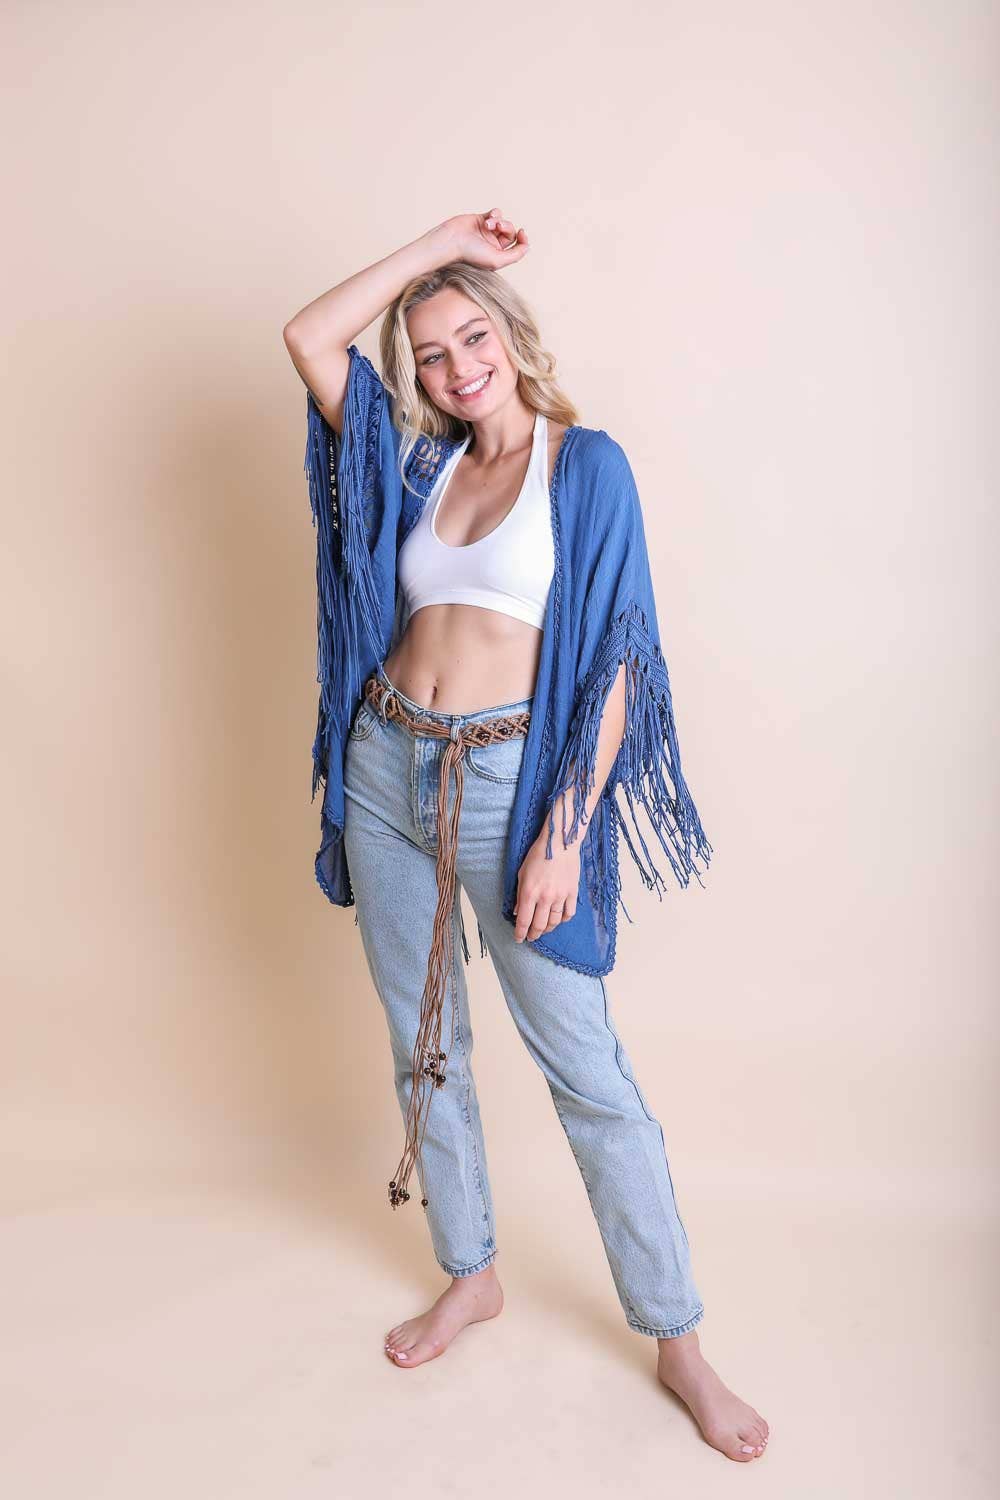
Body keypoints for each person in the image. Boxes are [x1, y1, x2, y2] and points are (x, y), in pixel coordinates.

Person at [282, 209, 769, 1462]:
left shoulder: (584, 467)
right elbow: (310, 336)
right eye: (431, 352)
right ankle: (471, 1271)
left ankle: (677, 1338)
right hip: (385, 767)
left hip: (512, 789)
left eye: (473, 336)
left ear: (511, 334)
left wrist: (565, 832)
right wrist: (434, 245)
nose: (456, 366)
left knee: (587, 1075)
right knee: (425, 1043)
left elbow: (615, 664)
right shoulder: (415, 468)